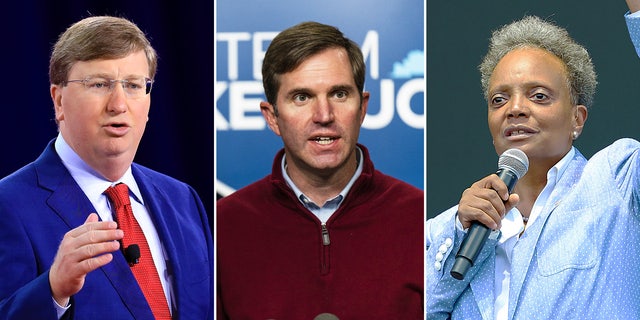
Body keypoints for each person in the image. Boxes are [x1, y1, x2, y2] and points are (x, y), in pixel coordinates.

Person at [426, 15, 640, 319]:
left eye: (539, 96)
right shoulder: (444, 230)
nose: (514, 109)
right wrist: (461, 232)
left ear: (577, 119)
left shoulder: (619, 181)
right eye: (499, 100)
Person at [0, 16, 213, 319]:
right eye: (99, 84)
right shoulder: (8, 205)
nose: (118, 104)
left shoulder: (182, 199)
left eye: (133, 85)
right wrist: (53, 290)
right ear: (58, 101)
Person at [216, 21, 424, 319]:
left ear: (362, 108)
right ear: (272, 117)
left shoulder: (421, 220)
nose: (324, 115)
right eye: (302, 97)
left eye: (339, 94)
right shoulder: (225, 226)